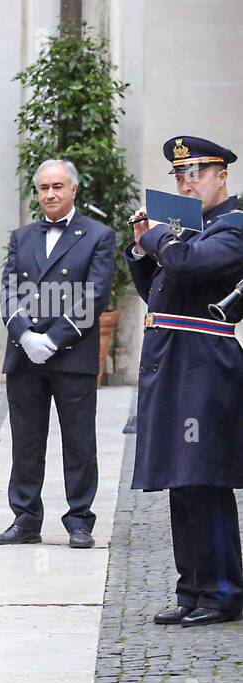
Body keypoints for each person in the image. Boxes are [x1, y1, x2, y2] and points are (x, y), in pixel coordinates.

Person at [127, 135, 243, 627]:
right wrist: (140, 247)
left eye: (196, 174)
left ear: (222, 176)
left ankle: (222, 592)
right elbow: (157, 292)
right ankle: (193, 589)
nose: (187, 183)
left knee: (204, 476)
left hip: (203, 363)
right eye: (179, 176)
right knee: (181, 478)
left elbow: (190, 264)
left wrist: (157, 237)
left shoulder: (233, 227)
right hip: (173, 361)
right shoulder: (186, 229)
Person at [0, 158, 115, 549]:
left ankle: (79, 519)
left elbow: (94, 295)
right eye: (44, 188)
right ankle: (25, 518)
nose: (50, 194)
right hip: (24, 355)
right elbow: (8, 289)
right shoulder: (22, 236)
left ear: (74, 190)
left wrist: (53, 339)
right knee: (26, 441)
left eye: (58, 186)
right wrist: (25, 334)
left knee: (79, 441)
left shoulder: (97, 235)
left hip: (73, 354)